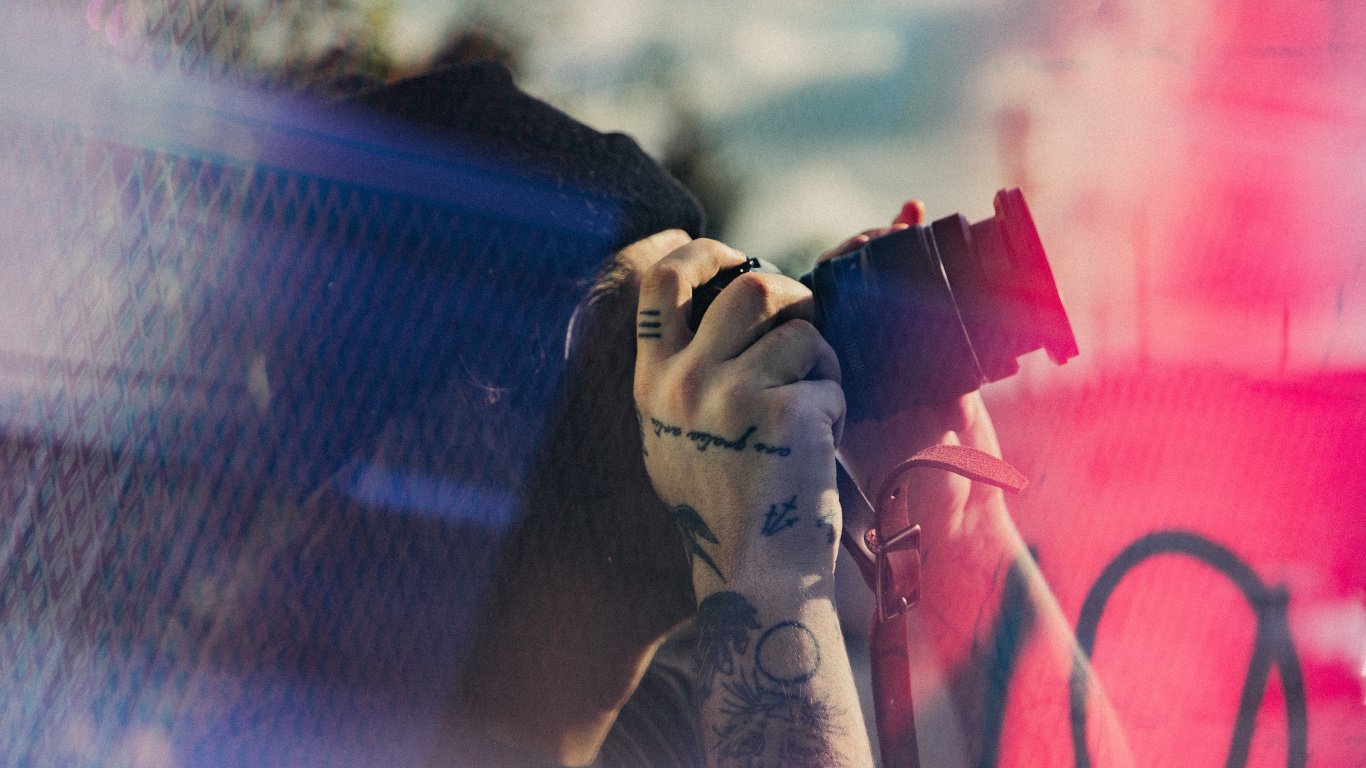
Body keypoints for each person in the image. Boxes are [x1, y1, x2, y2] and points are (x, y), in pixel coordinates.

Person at [347, 61, 1121, 768]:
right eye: (649, 331)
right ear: (457, 437)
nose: (734, 353)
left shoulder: (675, 731)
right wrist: (762, 565)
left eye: (715, 282)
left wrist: (964, 530)